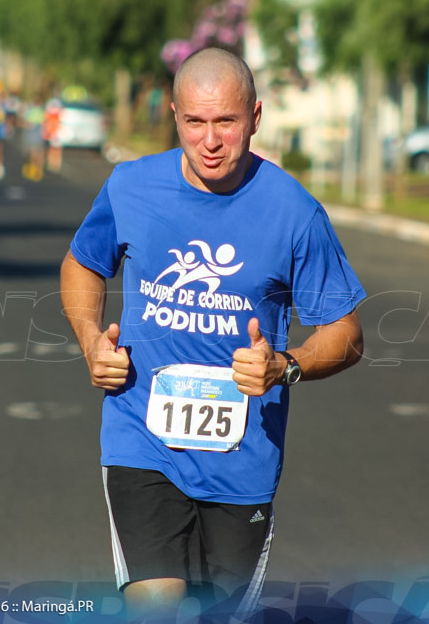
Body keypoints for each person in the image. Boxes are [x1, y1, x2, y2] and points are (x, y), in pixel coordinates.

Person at [59, 48, 366, 621]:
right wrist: (89, 339)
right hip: (140, 436)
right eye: (194, 122)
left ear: (255, 116)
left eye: (225, 122)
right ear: (174, 114)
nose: (210, 141)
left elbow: (346, 331)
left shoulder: (294, 212)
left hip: (243, 457)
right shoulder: (130, 187)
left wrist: (286, 365)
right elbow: (82, 263)